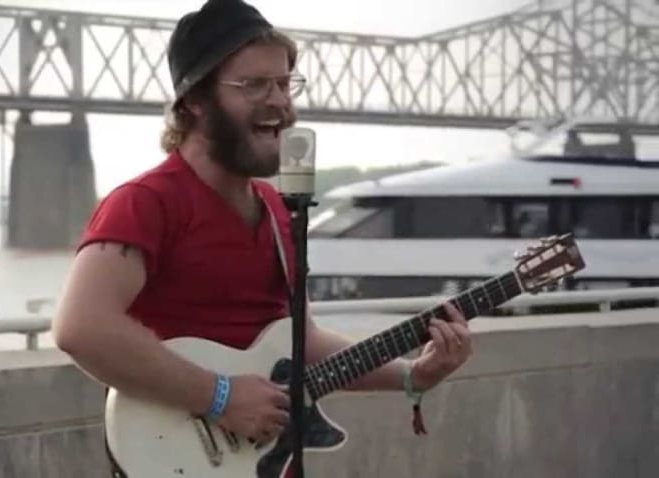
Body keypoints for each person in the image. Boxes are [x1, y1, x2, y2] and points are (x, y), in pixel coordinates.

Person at [52, 0, 472, 463]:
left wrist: (412, 375)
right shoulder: (146, 202)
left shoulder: (280, 211)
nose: (278, 101)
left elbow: (302, 343)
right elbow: (81, 327)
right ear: (194, 100)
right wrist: (220, 398)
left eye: (284, 83)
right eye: (253, 85)